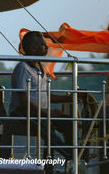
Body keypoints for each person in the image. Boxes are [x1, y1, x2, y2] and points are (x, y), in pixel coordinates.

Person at [8, 31, 76, 159]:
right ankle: (69, 154)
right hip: (22, 112)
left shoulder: (41, 68)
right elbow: (24, 102)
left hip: (38, 112)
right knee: (44, 126)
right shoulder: (23, 68)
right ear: (33, 48)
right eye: (43, 45)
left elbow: (45, 96)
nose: (47, 47)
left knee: (67, 121)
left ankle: (74, 150)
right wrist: (48, 113)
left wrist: (69, 98)